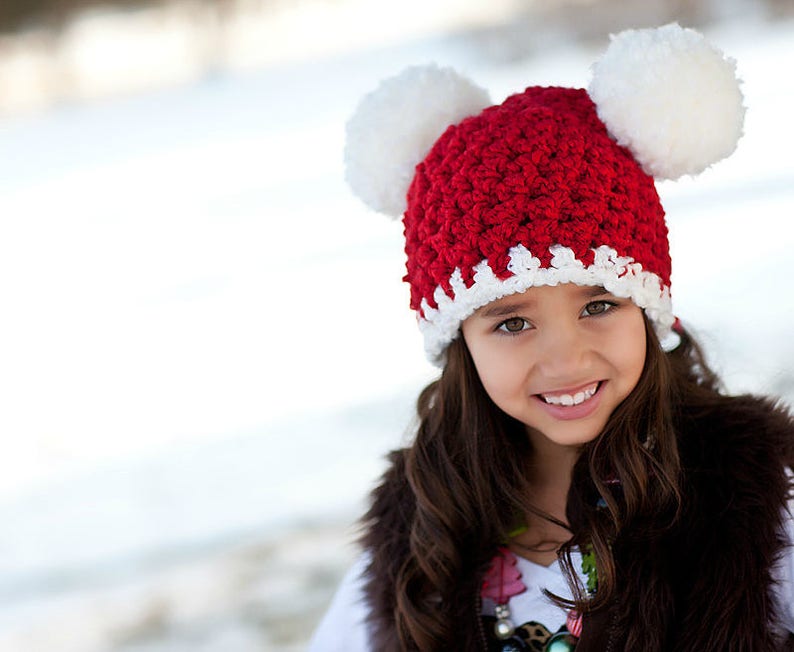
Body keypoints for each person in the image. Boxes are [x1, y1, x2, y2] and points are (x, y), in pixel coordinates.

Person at [309, 23, 794, 651]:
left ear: (647, 310)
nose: (565, 357)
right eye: (513, 322)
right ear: (460, 344)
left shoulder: (751, 498)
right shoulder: (423, 521)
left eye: (598, 304)